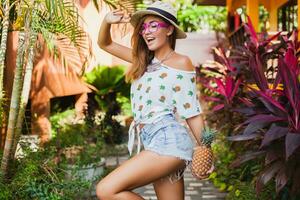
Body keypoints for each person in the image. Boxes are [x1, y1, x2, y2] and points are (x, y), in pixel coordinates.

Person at [96, 1, 209, 199]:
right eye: (143, 27)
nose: (147, 32)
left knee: (106, 190)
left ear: (170, 30)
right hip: (152, 141)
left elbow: (192, 112)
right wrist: (107, 21)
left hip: (168, 141)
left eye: (154, 25)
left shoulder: (181, 62)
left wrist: (207, 150)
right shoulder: (142, 60)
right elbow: (105, 44)